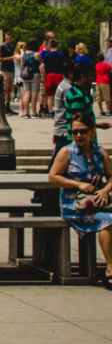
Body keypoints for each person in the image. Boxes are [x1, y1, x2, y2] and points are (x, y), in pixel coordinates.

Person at [49, 112, 112, 288]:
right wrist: (77, 184)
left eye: (83, 131)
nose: (78, 135)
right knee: (108, 221)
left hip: (97, 203)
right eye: (74, 131)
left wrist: (106, 189)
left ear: (92, 132)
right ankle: (110, 270)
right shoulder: (66, 152)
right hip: (74, 206)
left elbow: (111, 176)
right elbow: (53, 177)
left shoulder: (100, 153)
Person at [40, 40, 66, 117]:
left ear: (50, 45)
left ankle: (50, 112)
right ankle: (58, 110)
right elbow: (64, 66)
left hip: (49, 75)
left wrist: (43, 75)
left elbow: (42, 66)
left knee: (50, 95)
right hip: (59, 75)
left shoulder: (47, 55)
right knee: (59, 95)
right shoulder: (61, 55)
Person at [18, 41, 42, 119]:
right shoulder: (36, 54)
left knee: (26, 93)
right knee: (34, 95)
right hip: (35, 74)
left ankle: (26, 113)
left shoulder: (23, 55)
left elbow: (22, 64)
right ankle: (34, 113)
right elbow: (40, 63)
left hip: (25, 74)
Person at [0, 31, 16, 111]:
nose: (8, 39)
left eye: (10, 38)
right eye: (7, 38)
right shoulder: (2, 46)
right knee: (5, 89)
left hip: (11, 69)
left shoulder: (11, 46)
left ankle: (8, 105)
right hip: (4, 69)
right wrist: (9, 58)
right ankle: (3, 105)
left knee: (9, 89)